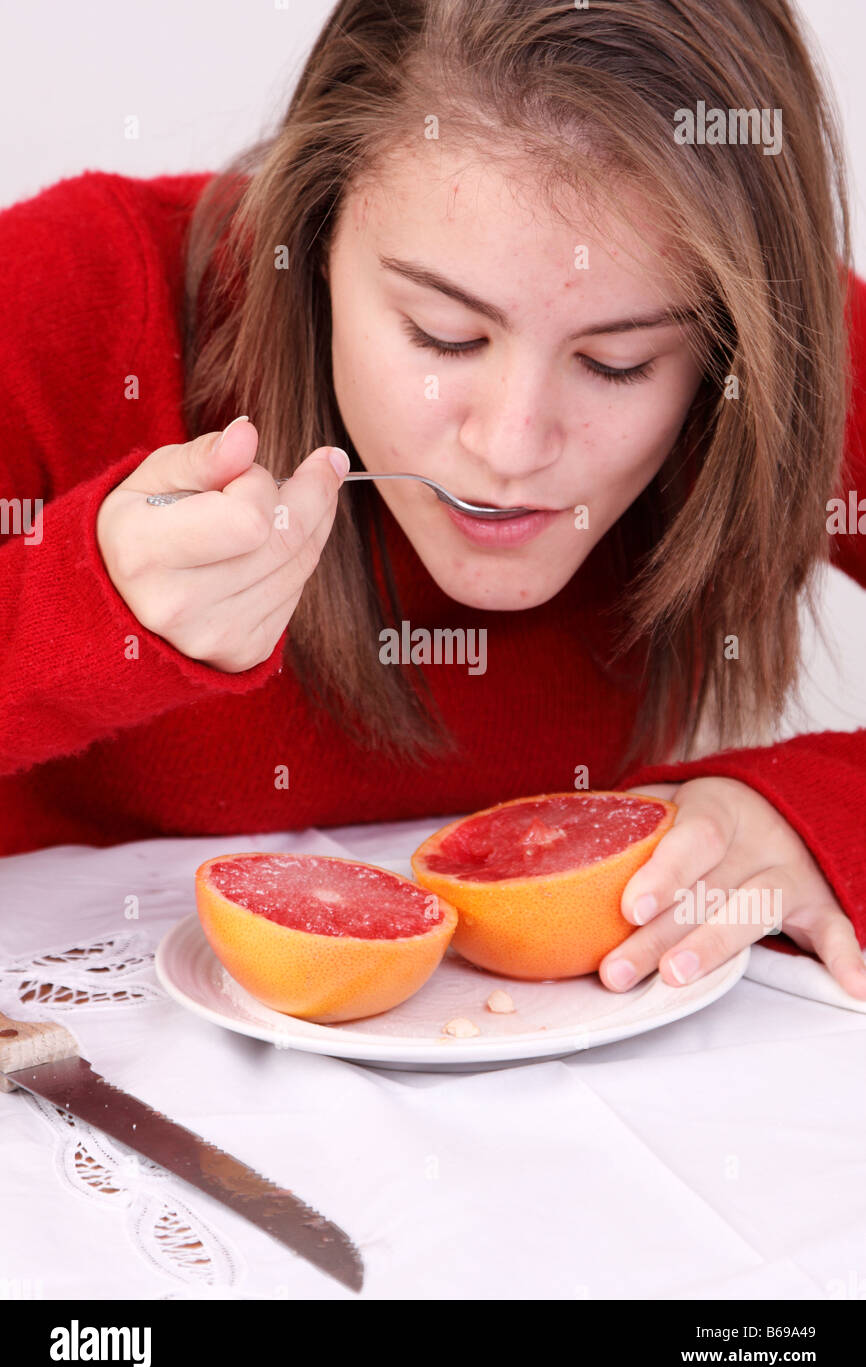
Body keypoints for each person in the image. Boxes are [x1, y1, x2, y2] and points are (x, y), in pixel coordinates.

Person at [1, 0, 865, 999]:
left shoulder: (778, 353)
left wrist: (814, 811)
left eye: (616, 362)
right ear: (313, 234)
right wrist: (81, 611)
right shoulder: (74, 297)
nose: (509, 446)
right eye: (444, 334)